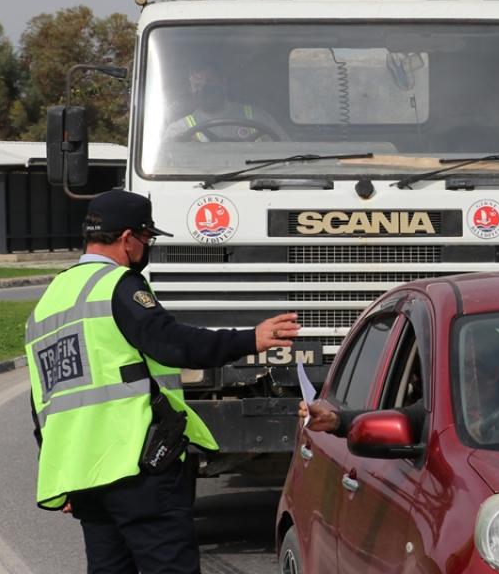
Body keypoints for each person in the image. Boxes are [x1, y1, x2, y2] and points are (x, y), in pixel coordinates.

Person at [25, 189, 301, 574]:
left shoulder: (49, 301)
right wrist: (249, 339)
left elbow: (43, 401)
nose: (147, 247)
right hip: (136, 466)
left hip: (83, 474)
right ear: (127, 239)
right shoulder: (118, 286)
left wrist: (62, 472)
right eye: (147, 239)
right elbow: (174, 344)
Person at [164, 62, 286, 142]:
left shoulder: (257, 117)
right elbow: (164, 162)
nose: (204, 89)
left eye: (210, 83)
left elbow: (286, 151)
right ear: (190, 89)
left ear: (223, 83)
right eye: (197, 85)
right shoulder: (180, 129)